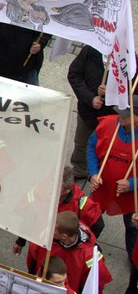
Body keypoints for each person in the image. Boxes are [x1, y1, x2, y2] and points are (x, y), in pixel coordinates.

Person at [88, 107, 138, 255]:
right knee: (89, 217)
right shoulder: (108, 124)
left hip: (130, 196)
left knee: (132, 227)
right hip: (102, 187)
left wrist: (132, 184)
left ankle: (133, 259)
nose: (119, 117)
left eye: (125, 115)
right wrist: (93, 173)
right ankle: (82, 247)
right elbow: (91, 148)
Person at [25, 212, 111, 292]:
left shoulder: (89, 256)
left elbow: (94, 285)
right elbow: (33, 261)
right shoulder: (47, 239)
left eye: (53, 229)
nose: (49, 230)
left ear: (63, 236)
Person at [68, 47, 110, 179]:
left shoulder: (128, 61)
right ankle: (80, 169)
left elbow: (132, 91)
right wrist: (90, 98)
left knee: (106, 147)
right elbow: (74, 75)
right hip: (87, 112)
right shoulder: (89, 52)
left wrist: (111, 91)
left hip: (111, 117)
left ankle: (101, 173)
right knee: (81, 143)